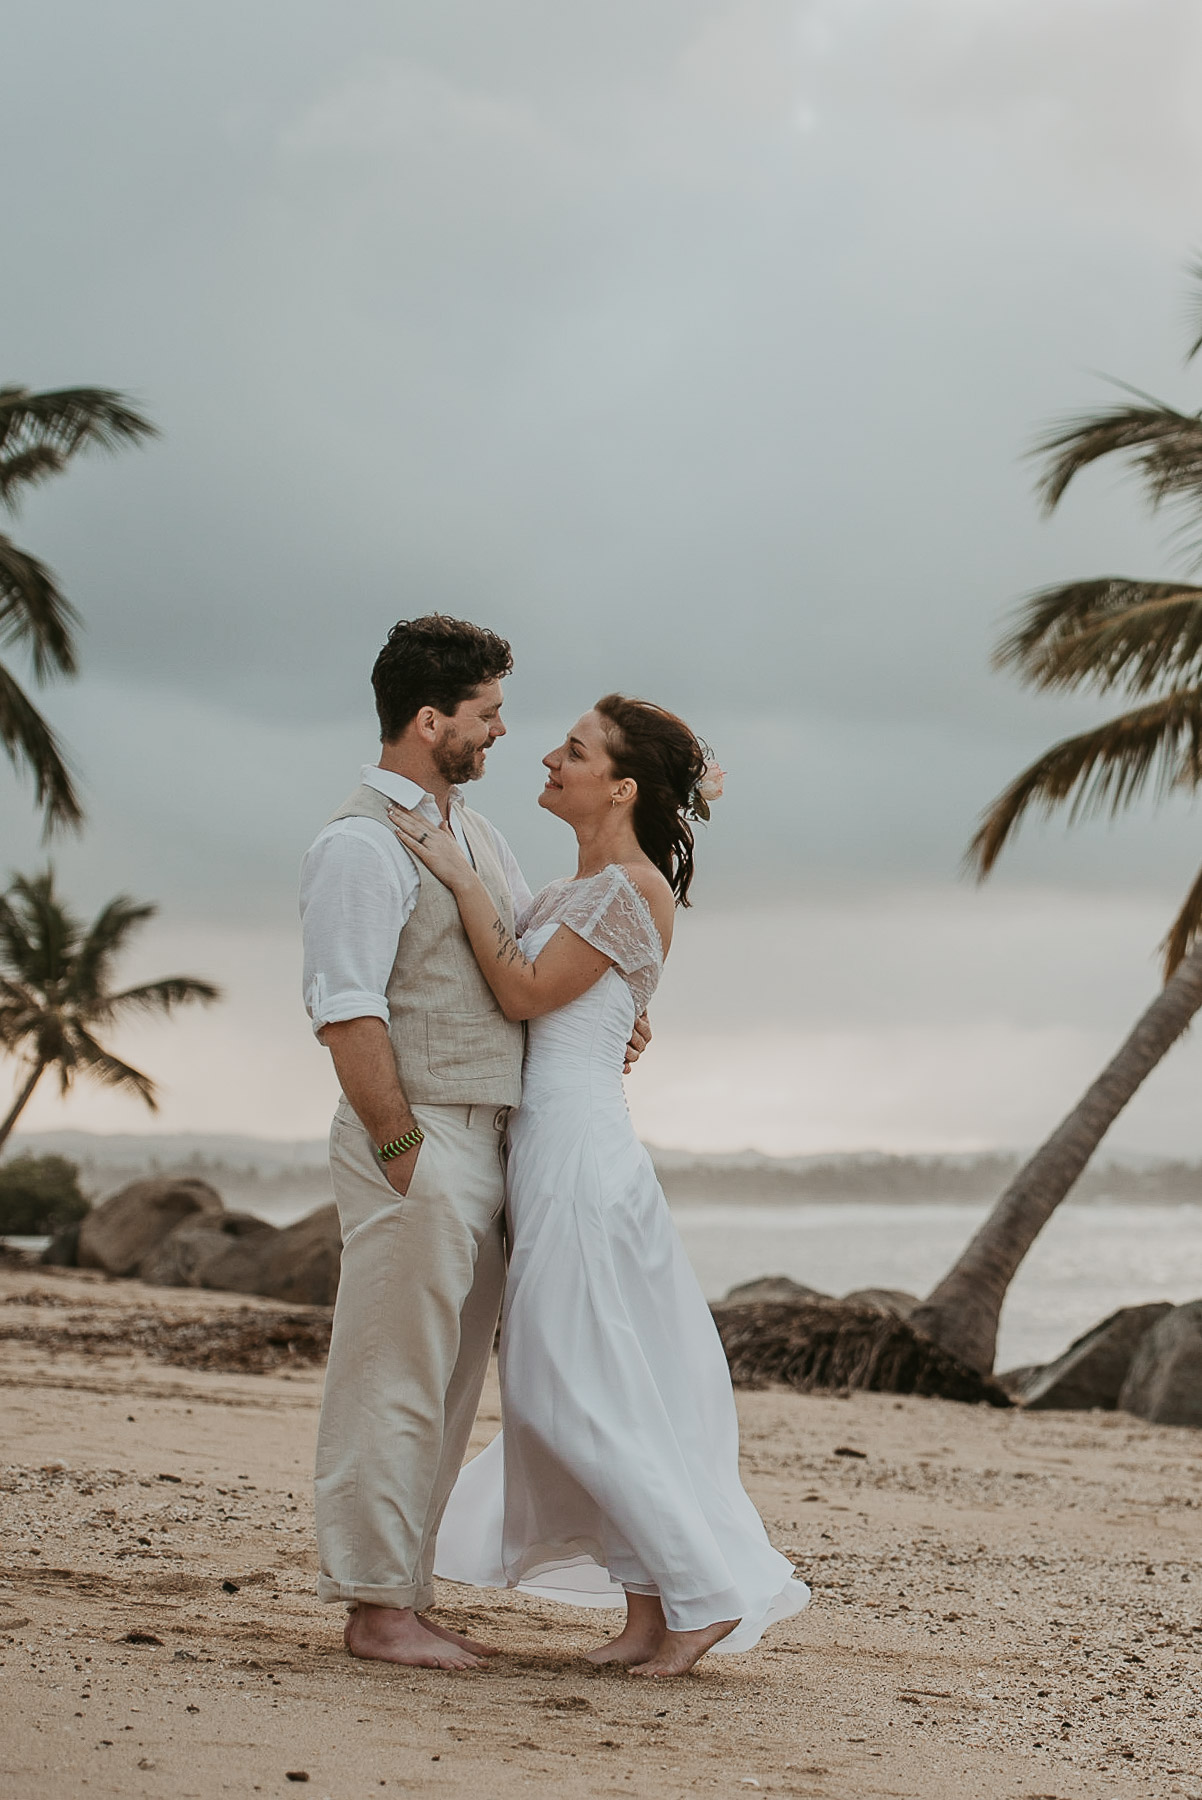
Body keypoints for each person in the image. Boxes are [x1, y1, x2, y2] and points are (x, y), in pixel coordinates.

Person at [389, 694, 810, 1677]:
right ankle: (645, 1614)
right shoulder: (559, 895)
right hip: (544, 1153)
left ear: (617, 787)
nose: (547, 757)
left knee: (564, 1380)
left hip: (578, 1155)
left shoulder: (630, 888)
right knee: (584, 1379)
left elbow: (527, 993)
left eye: (570, 751)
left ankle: (699, 1596)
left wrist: (456, 876)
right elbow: (545, 1002)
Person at [300, 616, 647, 1671]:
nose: (501, 731)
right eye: (486, 713)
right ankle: (373, 1608)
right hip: (422, 1139)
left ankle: (398, 1596)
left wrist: (617, 1009)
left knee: (445, 1387)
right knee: (387, 1376)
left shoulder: (475, 836)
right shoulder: (359, 845)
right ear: (427, 718)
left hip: (487, 1143)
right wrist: (401, 1146)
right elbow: (348, 1012)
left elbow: (537, 955)